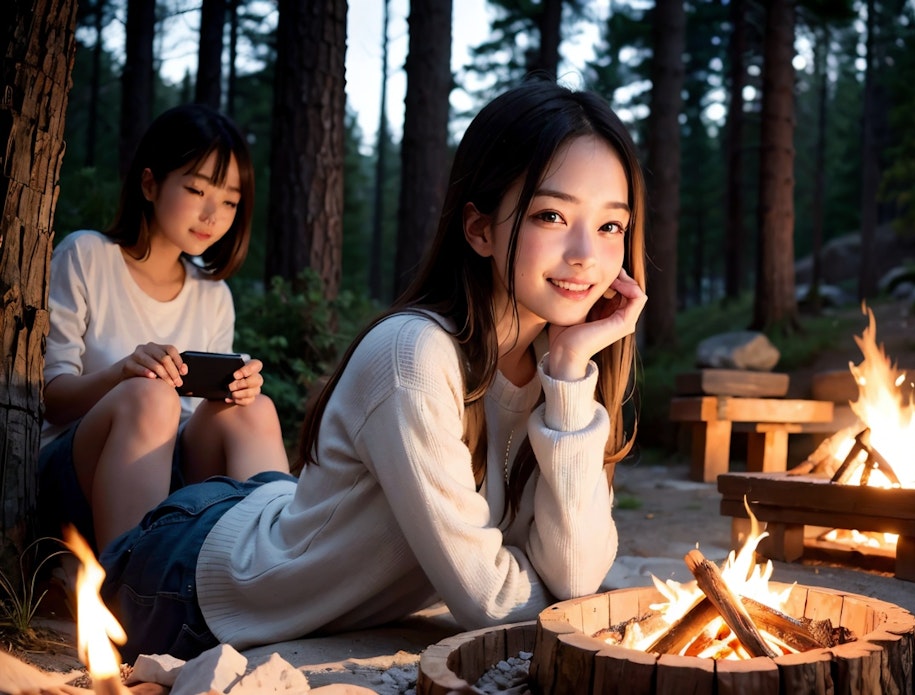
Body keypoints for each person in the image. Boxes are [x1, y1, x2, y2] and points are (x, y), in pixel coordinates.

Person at [99, 77, 648, 662]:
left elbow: (578, 575)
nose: (587, 254)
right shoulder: (414, 354)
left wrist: (567, 375)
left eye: (611, 225)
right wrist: (562, 593)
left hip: (264, 518)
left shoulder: (557, 364)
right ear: (480, 229)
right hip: (186, 583)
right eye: (552, 216)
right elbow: (495, 603)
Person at [38, 103, 290, 553]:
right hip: (75, 473)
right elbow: (50, 400)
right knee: (151, 395)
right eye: (197, 190)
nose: (213, 214)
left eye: (230, 201)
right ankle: (132, 587)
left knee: (255, 409)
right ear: (150, 184)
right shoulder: (86, 256)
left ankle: (273, 571)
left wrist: (234, 393)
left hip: (169, 479)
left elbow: (198, 420)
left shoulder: (212, 295)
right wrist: (122, 374)